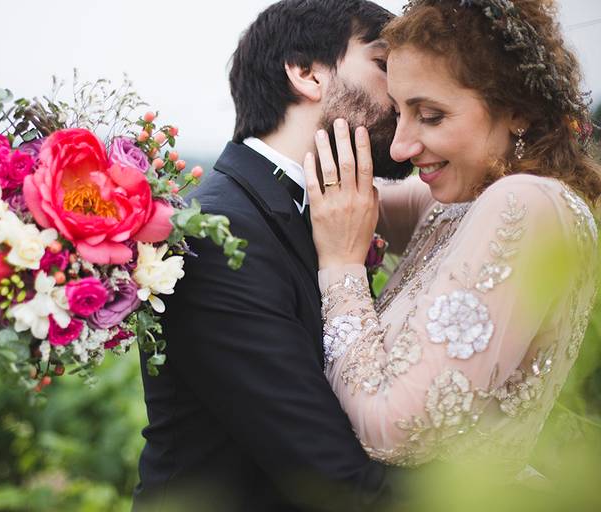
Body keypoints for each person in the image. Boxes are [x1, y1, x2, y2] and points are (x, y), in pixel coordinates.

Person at [133, 1, 412, 510]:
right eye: (384, 64)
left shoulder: (326, 210)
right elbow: (336, 481)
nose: (405, 90)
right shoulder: (218, 236)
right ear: (306, 72)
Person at [306, 0, 599, 476]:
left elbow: (393, 429)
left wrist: (341, 265)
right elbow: (355, 198)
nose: (400, 146)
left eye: (431, 115)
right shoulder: (465, 200)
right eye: (398, 111)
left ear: (517, 110)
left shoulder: (526, 203)